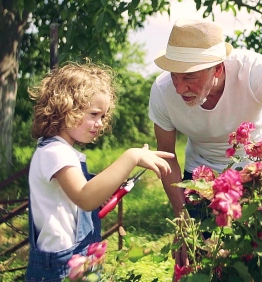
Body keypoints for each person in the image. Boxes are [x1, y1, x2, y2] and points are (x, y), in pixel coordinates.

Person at [148, 18, 262, 268]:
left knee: (261, 260)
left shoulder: (253, 70)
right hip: (200, 177)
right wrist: (183, 219)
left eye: (189, 77)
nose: (180, 88)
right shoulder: (162, 91)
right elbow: (166, 156)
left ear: (217, 69)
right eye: (175, 76)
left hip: (257, 172)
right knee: (192, 260)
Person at [25, 61, 174, 281]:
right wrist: (131, 157)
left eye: (103, 117)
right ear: (66, 107)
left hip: (77, 256)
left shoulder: (61, 150)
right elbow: (85, 197)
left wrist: (102, 195)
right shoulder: (55, 152)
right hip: (60, 266)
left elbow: (81, 199)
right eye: (94, 114)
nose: (99, 123)